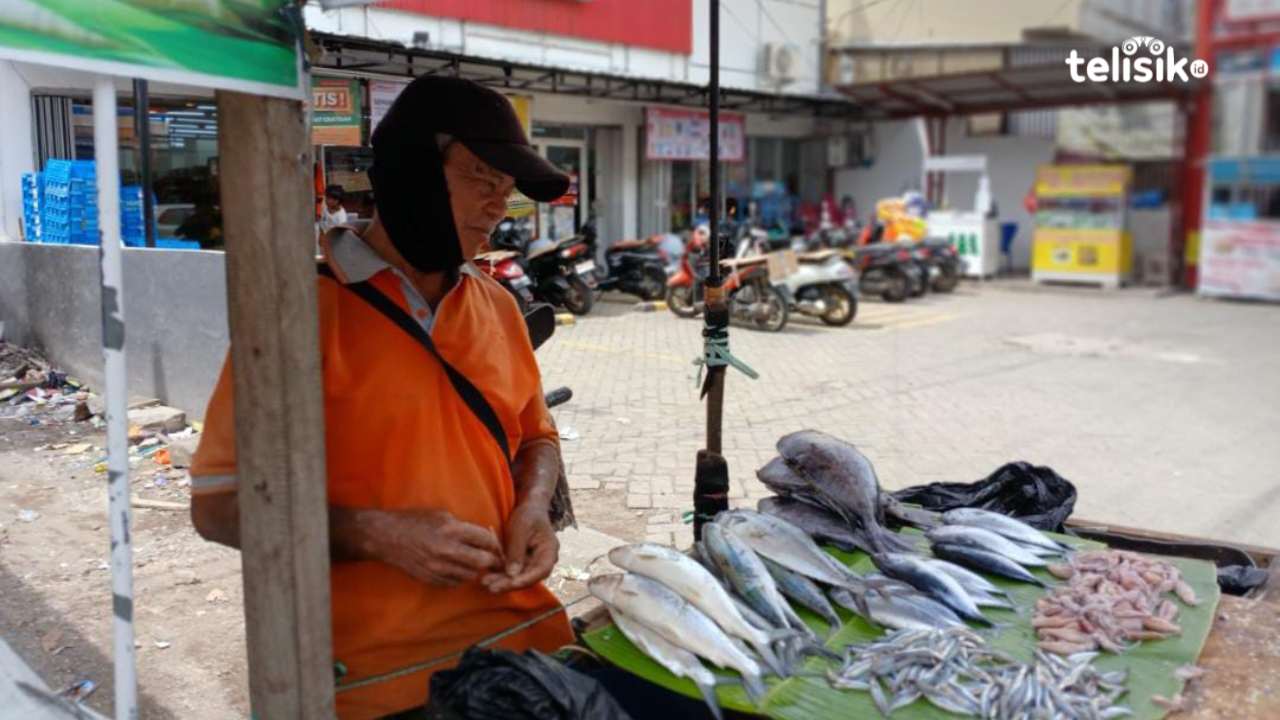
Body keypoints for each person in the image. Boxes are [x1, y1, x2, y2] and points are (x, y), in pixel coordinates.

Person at [189, 76, 575, 719]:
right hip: (377, 679)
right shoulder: (297, 314)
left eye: (505, 189)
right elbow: (216, 507)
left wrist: (533, 508)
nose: (496, 207)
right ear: (412, 170)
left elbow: (537, 436)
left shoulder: (499, 306)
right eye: (481, 178)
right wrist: (374, 534)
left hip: (522, 641)